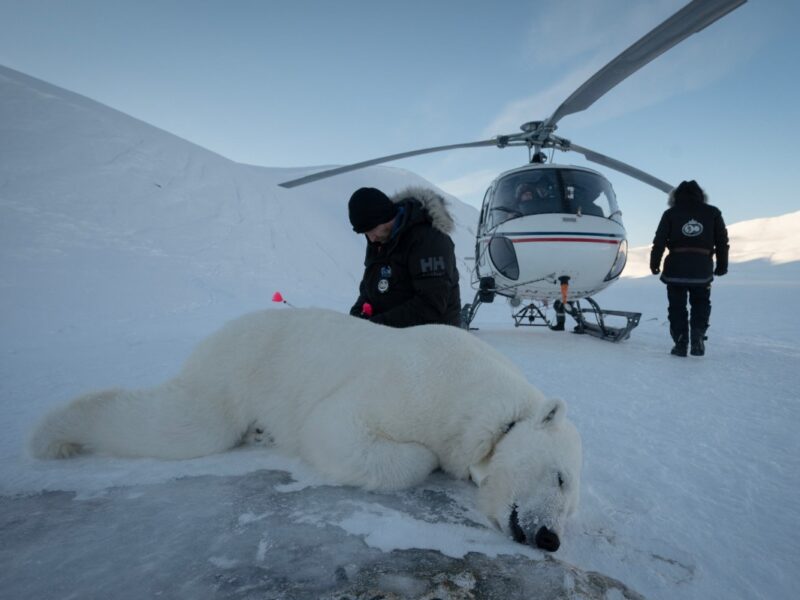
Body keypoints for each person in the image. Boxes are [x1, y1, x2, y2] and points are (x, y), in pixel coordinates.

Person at [348, 186, 461, 327]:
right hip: (391, 336)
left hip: (432, 339)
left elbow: (430, 305)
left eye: (371, 230)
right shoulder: (379, 241)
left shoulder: (428, 240)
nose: (371, 238)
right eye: (365, 233)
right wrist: (358, 313)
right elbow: (370, 288)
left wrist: (376, 326)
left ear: (384, 217)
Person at [649, 180, 729, 357]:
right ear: (701, 196)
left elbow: (659, 241)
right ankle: (698, 335)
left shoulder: (670, 213)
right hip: (702, 269)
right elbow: (722, 241)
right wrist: (722, 265)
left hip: (675, 269)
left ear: (676, 197)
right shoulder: (713, 212)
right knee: (701, 303)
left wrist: (654, 263)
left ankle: (680, 342)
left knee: (677, 307)